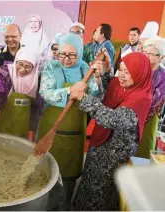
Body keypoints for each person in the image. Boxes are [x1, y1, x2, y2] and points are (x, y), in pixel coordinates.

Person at [73, 52, 153, 210]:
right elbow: (112, 85)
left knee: (104, 188)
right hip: (100, 142)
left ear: (139, 73)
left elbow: (113, 119)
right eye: (121, 69)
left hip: (115, 152)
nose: (121, 76)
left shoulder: (141, 98)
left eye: (127, 72)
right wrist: (106, 70)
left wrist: (83, 98)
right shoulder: (122, 83)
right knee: (90, 177)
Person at [38, 33, 108, 210]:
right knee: (47, 173)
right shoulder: (51, 68)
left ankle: (64, 206)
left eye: (72, 55)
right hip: (51, 128)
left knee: (68, 177)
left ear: (80, 52)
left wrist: (98, 79)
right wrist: (70, 92)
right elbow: (45, 92)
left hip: (75, 131)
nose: (66, 59)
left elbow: (96, 96)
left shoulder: (86, 69)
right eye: (62, 54)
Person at [0, 47, 42, 138]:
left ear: (34, 67)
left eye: (28, 66)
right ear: (15, 60)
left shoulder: (37, 79)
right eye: (20, 64)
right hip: (3, 121)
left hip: (23, 126)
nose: (22, 69)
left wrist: (33, 127)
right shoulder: (5, 71)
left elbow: (38, 106)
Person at [136, 37, 165, 159]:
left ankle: (139, 175)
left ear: (161, 57)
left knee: (144, 147)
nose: (146, 56)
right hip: (131, 114)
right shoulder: (139, 68)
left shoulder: (163, 75)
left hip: (149, 117)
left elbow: (155, 101)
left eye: (151, 54)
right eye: (145, 52)